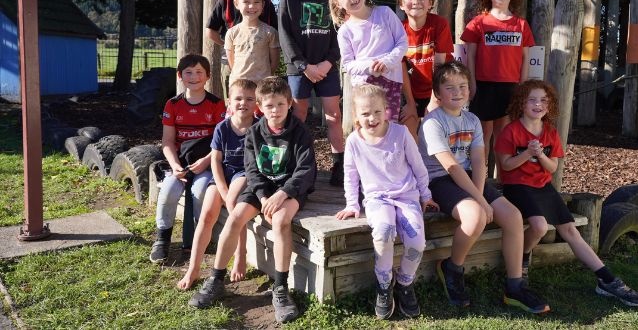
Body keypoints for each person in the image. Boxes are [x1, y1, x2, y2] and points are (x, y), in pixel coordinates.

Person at [495, 80, 638, 307]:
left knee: (570, 230)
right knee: (540, 227)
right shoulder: (511, 131)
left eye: (543, 100)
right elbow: (506, 165)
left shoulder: (550, 132)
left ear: (549, 105)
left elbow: (552, 168)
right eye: (532, 100)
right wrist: (527, 153)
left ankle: (607, 280)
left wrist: (540, 155)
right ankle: (522, 259)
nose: (538, 104)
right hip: (517, 186)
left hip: (543, 187)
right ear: (521, 103)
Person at [418, 61, 549, 313]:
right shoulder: (432, 123)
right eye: (449, 87)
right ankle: (452, 267)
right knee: (476, 217)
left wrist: (480, 194)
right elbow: (451, 167)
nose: (457, 92)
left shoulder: (472, 120)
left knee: (513, 216)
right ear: (437, 93)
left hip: (468, 176)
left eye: (462, 86)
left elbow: (479, 159)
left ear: (470, 90)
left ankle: (515, 286)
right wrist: (480, 201)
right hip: (438, 180)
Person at [188, 76, 316, 324]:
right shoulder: (255, 132)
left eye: (280, 104)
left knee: (280, 221)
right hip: (263, 189)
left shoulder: (300, 132)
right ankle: (216, 279)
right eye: (269, 106)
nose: (275, 110)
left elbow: (305, 170)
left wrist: (281, 194)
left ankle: (280, 287)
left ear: (289, 103)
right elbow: (252, 170)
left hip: (290, 189)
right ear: (260, 107)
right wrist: (263, 196)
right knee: (235, 216)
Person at [336, 84, 438, 319]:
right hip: (377, 199)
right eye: (365, 113)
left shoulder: (401, 134)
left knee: (416, 241)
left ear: (386, 111)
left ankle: (404, 283)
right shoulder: (353, 141)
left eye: (377, 112)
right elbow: (350, 175)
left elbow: (418, 166)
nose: (372, 118)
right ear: (356, 115)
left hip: (406, 196)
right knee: (383, 232)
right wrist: (352, 204)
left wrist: (426, 195)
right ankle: (384, 284)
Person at [177, 79, 257, 290]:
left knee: (234, 206)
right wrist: (221, 188)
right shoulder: (222, 127)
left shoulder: (259, 128)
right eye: (238, 98)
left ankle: (240, 254)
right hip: (223, 173)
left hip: (245, 173)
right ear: (229, 102)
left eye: (249, 99)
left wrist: (228, 194)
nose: (243, 103)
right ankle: (193, 268)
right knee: (206, 215)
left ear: (257, 102)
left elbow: (254, 166)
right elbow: (216, 160)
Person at [150, 55, 226, 264]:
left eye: (199, 72)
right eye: (189, 72)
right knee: (168, 191)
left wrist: (206, 162)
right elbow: (167, 141)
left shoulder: (216, 104)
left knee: (200, 192)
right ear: (180, 76)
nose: (194, 77)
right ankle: (162, 239)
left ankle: (201, 237)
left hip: (207, 164)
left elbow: (221, 143)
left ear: (208, 76)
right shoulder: (173, 104)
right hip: (180, 164)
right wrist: (175, 166)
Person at [278, 0, 344, 186]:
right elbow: (285, 37)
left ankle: (339, 165)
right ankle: (299, 164)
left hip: (326, 67)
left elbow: (339, 33)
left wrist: (328, 62)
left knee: (334, 115)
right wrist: (304, 66)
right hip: (299, 69)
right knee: (299, 114)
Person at [460, 0, 533, 162]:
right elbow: (470, 56)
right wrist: (471, 83)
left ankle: (503, 177)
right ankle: (480, 177)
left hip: (510, 86)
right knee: (482, 136)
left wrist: (522, 87)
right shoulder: (478, 23)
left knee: (503, 137)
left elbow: (525, 58)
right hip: (483, 85)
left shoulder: (521, 25)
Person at [327, 0, 408, 123]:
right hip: (364, 87)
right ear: (337, 3)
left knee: (389, 126)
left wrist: (388, 62)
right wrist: (371, 66)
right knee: (367, 127)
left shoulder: (385, 13)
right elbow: (348, 64)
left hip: (391, 82)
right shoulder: (344, 31)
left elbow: (402, 42)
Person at [206, 0, 278, 98]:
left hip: (261, 65)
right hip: (231, 63)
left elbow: (274, 33)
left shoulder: (265, 0)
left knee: (262, 102)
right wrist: (232, 45)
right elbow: (210, 31)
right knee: (235, 102)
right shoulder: (225, 0)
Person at [397, 0, 455, 141]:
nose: (416, 1)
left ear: (430, 3)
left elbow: (440, 65)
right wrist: (410, 103)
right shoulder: (399, 30)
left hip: (440, 87)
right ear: (401, 4)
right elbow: (400, 68)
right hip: (412, 89)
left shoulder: (439, 24)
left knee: (437, 133)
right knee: (408, 132)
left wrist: (435, 99)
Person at [224, 0, 280, 88]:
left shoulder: (270, 32)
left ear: (263, 4)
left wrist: (265, 78)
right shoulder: (232, 33)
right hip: (238, 86)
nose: (251, 6)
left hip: (262, 86)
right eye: (246, 2)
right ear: (236, 4)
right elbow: (232, 63)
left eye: (256, 2)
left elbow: (274, 61)